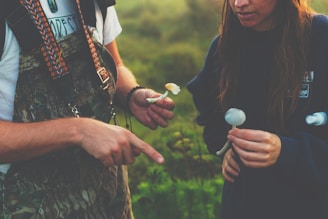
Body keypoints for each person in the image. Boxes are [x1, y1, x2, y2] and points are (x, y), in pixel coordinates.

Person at [0, 0, 175, 218]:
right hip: (22, 204)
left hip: (108, 198)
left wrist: (131, 93)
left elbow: (115, 65)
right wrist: (79, 131)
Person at [187, 0, 328, 218]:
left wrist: (287, 151)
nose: (239, 3)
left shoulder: (320, 36)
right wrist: (225, 149)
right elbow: (208, 107)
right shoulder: (224, 47)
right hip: (243, 205)